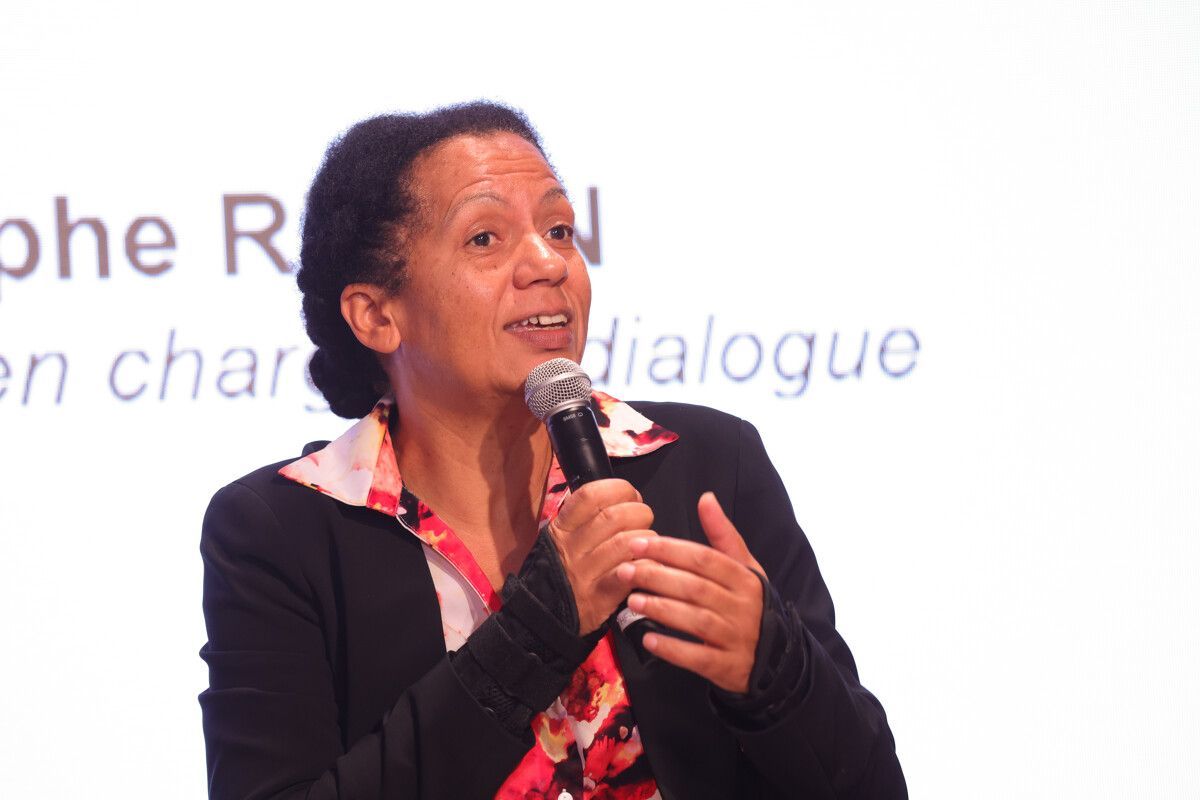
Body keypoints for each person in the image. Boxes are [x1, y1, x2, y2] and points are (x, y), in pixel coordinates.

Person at [199, 101, 907, 800]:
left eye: (560, 230)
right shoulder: (281, 531)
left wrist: (776, 672)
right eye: (485, 238)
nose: (548, 264)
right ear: (377, 315)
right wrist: (536, 630)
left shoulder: (708, 466)